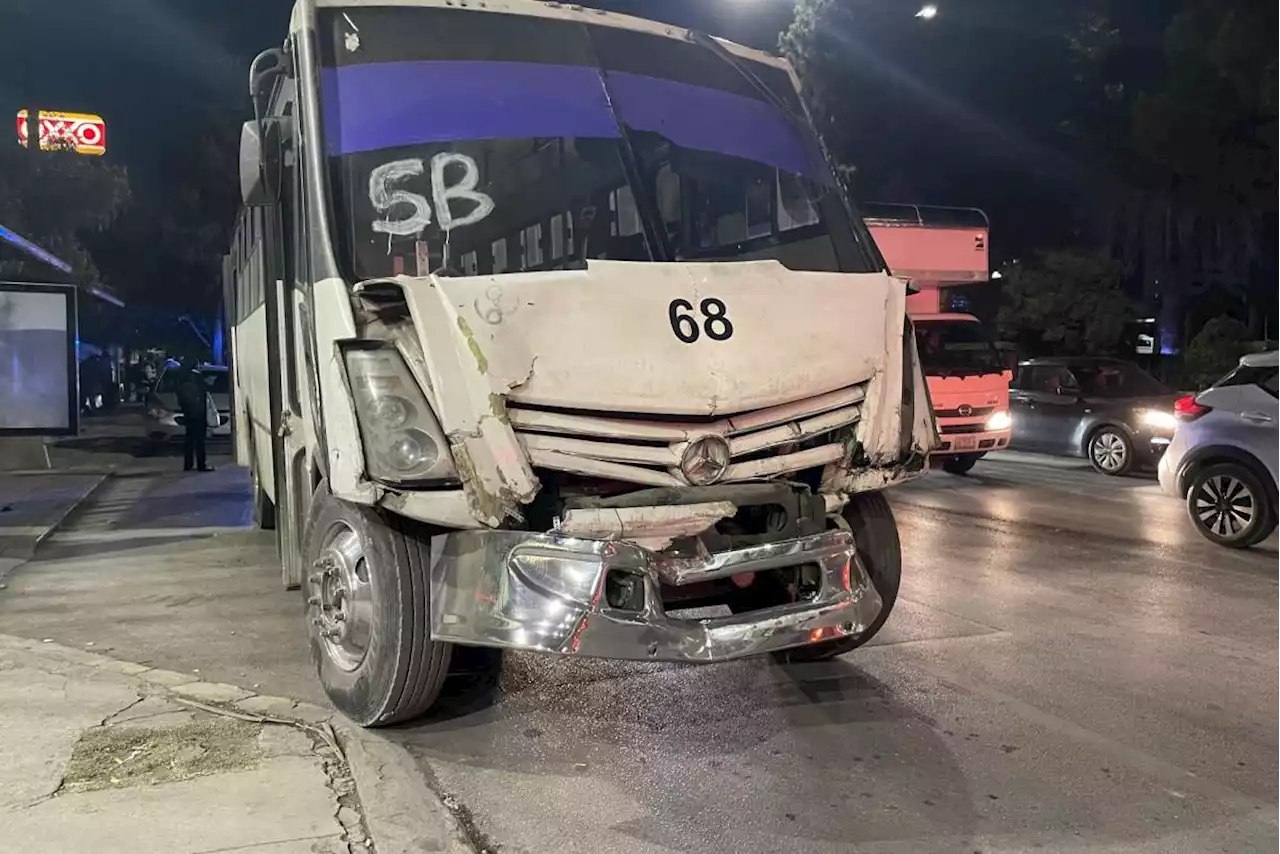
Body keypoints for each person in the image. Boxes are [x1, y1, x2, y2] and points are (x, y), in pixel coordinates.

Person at [176, 363, 214, 473]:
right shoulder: (196, 379)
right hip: (198, 414)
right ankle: (201, 464)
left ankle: (188, 465)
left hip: (189, 414)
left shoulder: (182, 381)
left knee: (189, 440)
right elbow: (203, 393)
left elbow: (181, 399)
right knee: (199, 441)